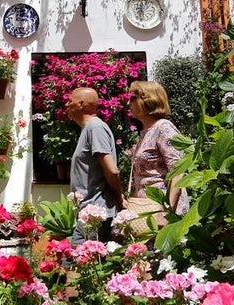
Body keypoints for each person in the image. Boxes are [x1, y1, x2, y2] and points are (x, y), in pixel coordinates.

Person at [124, 81, 188, 232]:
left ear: (148, 100)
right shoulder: (147, 131)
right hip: (147, 208)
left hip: (162, 210)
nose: (129, 102)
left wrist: (167, 211)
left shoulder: (163, 128)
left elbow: (178, 171)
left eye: (133, 98)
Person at [66, 87, 124, 242]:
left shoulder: (95, 128)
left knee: (75, 262)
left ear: (81, 104)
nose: (66, 105)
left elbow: (111, 170)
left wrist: (119, 198)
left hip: (96, 213)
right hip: (90, 213)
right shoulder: (88, 129)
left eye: (70, 101)